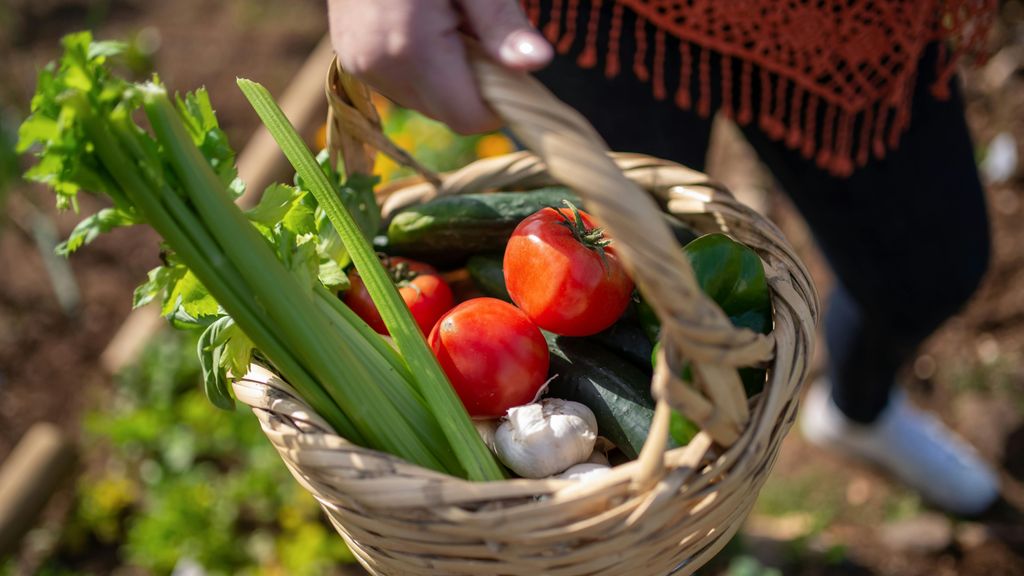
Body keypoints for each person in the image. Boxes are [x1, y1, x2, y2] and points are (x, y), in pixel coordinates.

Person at [327, 0, 1000, 515]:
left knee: (936, 266)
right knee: (625, 213)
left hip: (837, 21)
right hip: (600, 19)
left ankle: (858, 410)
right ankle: (682, 530)